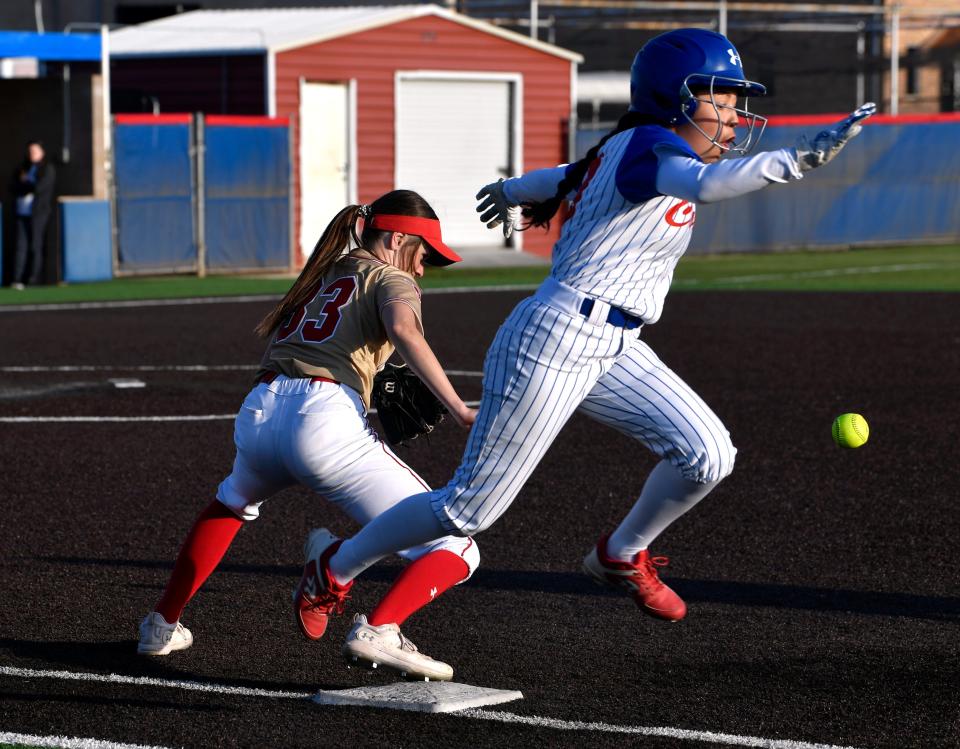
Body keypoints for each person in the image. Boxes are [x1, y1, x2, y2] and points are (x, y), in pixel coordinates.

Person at [287, 29, 876, 656]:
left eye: (733, 101)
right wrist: (797, 160)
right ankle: (336, 571)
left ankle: (620, 555)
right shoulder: (652, 145)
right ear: (676, 100)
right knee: (467, 510)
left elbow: (568, 173)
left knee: (708, 455)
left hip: (617, 343)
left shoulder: (629, 147)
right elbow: (704, 187)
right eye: (720, 98)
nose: (732, 113)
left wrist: (512, 190)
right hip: (558, 338)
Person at [137, 190, 479, 682]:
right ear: (399, 238)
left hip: (260, 411)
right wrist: (457, 406)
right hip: (324, 420)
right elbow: (404, 328)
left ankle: (160, 625)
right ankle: (378, 625)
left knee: (230, 502)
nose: (423, 268)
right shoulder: (392, 276)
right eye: (423, 253)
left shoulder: (322, 271)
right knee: (459, 545)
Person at [11, 140, 56, 289]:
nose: (32, 154)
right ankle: (18, 279)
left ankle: (34, 280)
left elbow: (39, 188)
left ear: (42, 152)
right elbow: (13, 186)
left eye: (35, 151)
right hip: (22, 213)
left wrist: (26, 185)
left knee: (35, 246)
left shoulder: (47, 168)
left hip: (38, 214)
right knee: (20, 246)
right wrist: (24, 185)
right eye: (30, 151)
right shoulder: (23, 168)